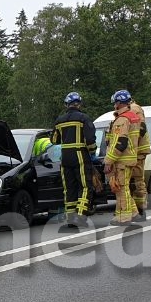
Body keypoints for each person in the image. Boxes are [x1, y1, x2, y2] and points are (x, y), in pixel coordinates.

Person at [50, 92, 96, 230]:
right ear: (79, 104)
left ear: (66, 104)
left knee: (69, 189)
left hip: (65, 158)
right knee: (85, 187)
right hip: (80, 155)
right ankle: (81, 217)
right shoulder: (83, 118)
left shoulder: (59, 120)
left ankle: (71, 219)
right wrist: (93, 152)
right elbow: (90, 140)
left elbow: (53, 140)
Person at [105, 90, 142, 227]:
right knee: (124, 187)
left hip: (122, 159)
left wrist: (109, 161)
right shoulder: (132, 116)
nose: (114, 104)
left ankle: (124, 217)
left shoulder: (122, 119)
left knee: (120, 188)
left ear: (119, 103)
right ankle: (134, 213)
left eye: (115, 102)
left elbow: (120, 142)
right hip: (130, 157)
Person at [128, 100, 151, 221]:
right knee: (134, 181)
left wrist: (131, 141)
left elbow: (140, 127)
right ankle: (138, 210)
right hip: (135, 151)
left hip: (138, 151)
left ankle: (140, 210)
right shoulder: (130, 109)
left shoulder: (134, 108)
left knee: (137, 181)